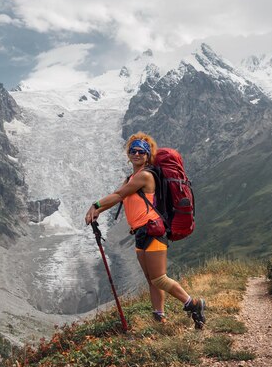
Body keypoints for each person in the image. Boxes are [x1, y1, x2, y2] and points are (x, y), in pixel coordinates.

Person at [85, 132, 205, 327]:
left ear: (148, 155)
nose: (137, 154)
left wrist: (95, 206)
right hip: (140, 232)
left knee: (159, 278)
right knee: (151, 279)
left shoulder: (146, 176)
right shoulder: (132, 178)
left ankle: (193, 303)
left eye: (142, 151)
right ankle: (159, 316)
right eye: (133, 150)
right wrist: (98, 209)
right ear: (128, 153)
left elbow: (118, 195)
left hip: (153, 230)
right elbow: (119, 194)